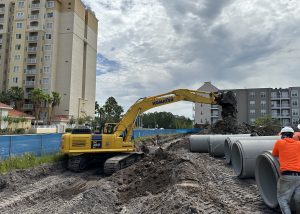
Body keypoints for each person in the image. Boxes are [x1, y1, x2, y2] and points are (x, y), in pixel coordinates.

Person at [272, 126, 300, 214]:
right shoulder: (299, 144)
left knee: (283, 199)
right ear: (292, 135)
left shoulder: (279, 143)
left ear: (282, 135)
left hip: (287, 176)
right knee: (298, 199)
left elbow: (274, 154)